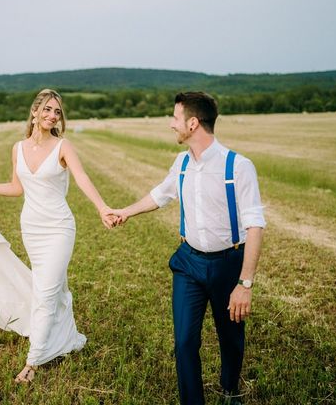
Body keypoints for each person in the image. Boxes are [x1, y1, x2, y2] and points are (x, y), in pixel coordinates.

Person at [109, 92, 265, 405]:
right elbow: (159, 195)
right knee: (184, 342)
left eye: (176, 118)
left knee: (231, 338)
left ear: (193, 124)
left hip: (228, 263)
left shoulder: (238, 166)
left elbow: (255, 226)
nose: (171, 124)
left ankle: (230, 391)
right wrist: (125, 211)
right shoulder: (181, 163)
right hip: (189, 263)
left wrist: (244, 284)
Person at [0, 89, 115, 383]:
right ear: (34, 113)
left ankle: (32, 362)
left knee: (45, 291)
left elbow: (82, 178)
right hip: (31, 227)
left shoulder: (63, 146)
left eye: (57, 112)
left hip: (59, 227)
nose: (52, 116)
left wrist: (101, 208)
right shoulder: (17, 148)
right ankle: (66, 338)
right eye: (47, 109)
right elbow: (16, 187)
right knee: (53, 288)